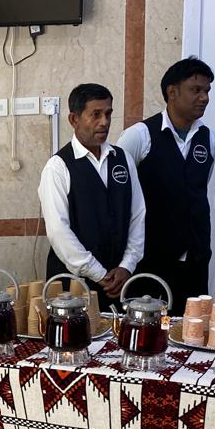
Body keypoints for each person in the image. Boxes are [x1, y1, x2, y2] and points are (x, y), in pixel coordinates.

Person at [117, 57, 215, 316]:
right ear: (172, 92)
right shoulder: (139, 136)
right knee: (153, 326)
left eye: (207, 91)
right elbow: (119, 194)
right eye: (196, 90)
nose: (204, 98)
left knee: (192, 327)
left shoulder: (208, 138)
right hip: (152, 259)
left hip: (195, 260)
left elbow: (197, 188)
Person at [38, 83, 145, 309]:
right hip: (74, 286)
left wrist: (127, 265)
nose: (104, 122)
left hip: (120, 280)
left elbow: (137, 215)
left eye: (108, 114)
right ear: (74, 119)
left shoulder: (123, 159)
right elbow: (58, 232)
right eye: (95, 114)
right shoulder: (58, 167)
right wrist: (98, 273)